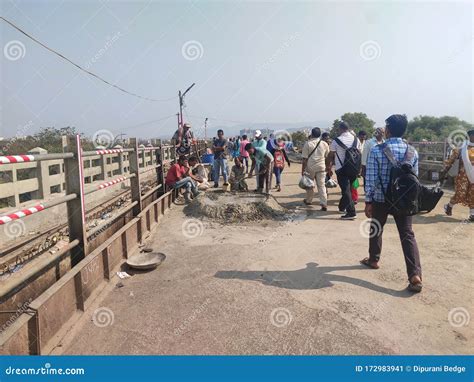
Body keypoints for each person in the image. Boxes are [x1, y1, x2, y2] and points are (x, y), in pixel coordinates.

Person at [362, 114, 422, 293]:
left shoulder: (377, 150)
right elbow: (414, 180)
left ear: (387, 130)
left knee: (376, 228)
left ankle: (373, 259)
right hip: (403, 200)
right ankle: (415, 275)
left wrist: (368, 201)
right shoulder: (412, 151)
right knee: (407, 235)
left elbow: (371, 179)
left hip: (381, 199)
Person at [327, 122, 362, 220]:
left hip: (341, 169)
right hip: (354, 169)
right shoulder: (356, 139)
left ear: (340, 129)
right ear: (348, 128)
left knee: (346, 190)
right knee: (348, 189)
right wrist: (359, 169)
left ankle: (351, 212)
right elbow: (359, 154)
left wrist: (329, 168)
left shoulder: (336, 141)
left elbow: (331, 155)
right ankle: (342, 207)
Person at [441, 129, 474, 221]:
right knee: (461, 193)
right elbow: (451, 160)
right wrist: (445, 169)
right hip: (462, 175)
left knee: (473, 193)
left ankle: (472, 214)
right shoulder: (461, 148)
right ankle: (449, 205)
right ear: (469, 136)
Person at [301, 127, 330, 210]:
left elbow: (304, 159)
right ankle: (324, 203)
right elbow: (327, 156)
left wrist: (303, 170)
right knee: (321, 186)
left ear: (312, 134)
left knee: (309, 185)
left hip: (310, 168)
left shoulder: (308, 144)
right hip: (321, 167)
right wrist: (327, 167)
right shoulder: (324, 144)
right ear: (320, 134)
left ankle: (309, 200)